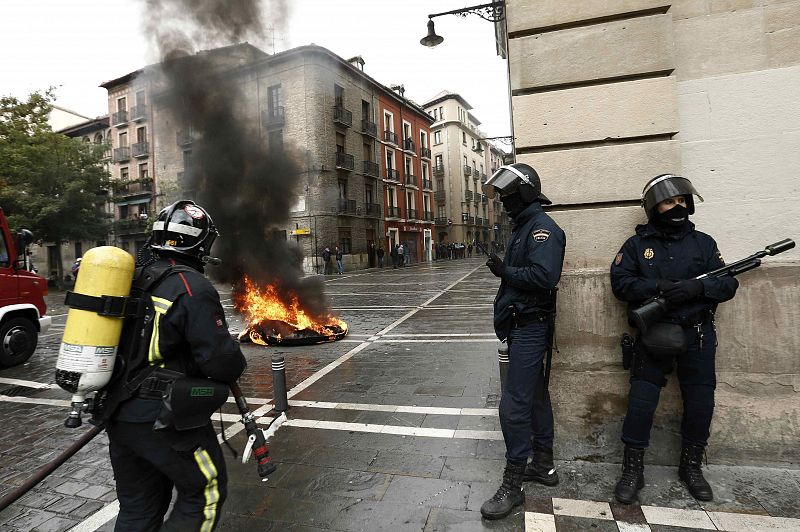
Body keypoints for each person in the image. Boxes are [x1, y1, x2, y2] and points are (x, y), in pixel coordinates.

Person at [103, 200, 247, 531]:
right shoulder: (191, 286)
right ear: (200, 244)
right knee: (205, 492)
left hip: (118, 415)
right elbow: (221, 362)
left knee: (138, 508)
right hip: (165, 420)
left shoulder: (132, 278)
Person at [610, 174, 738, 504]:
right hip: (655, 335)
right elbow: (621, 283)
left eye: (682, 201)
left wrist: (699, 287)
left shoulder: (704, 244)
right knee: (640, 404)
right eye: (669, 201)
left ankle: (691, 468)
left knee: (700, 404)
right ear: (654, 208)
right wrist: (659, 288)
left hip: (697, 335)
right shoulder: (637, 246)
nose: (677, 206)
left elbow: (728, 285)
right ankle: (632, 471)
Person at [479, 163, 566, 520]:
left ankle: (512, 483)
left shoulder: (542, 229)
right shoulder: (524, 227)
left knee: (513, 404)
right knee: (534, 397)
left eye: (508, 194)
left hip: (530, 326)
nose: (502, 201)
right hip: (521, 325)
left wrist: (505, 271)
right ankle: (543, 466)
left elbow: (545, 276)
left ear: (527, 192)